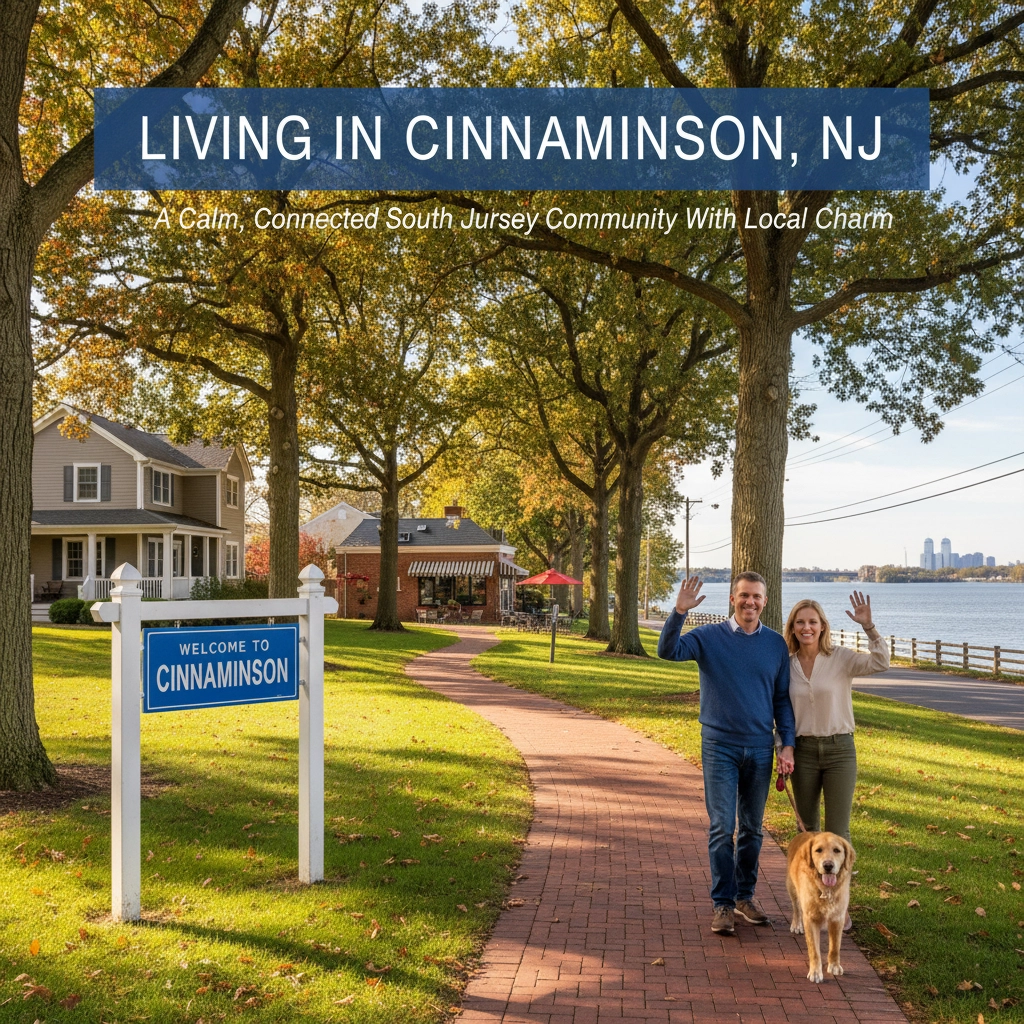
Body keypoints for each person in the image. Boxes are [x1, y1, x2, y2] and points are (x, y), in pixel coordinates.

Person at [658, 572, 795, 937]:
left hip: (761, 748)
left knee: (752, 829)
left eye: (757, 597)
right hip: (720, 746)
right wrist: (678, 612)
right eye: (744, 596)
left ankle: (744, 897)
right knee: (723, 828)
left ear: (765, 602)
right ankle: (722, 903)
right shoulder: (708, 638)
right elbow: (667, 651)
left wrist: (788, 744)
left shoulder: (775, 645)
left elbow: (782, 700)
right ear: (733, 599)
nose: (750, 602)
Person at [783, 592, 889, 847]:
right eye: (800, 622)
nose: (806, 627)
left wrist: (869, 627)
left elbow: (881, 662)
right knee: (806, 832)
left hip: (839, 750)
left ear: (822, 627)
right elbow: (780, 708)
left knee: (838, 834)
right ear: (792, 628)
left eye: (812, 622)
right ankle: (812, 887)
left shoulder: (841, 658)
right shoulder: (785, 665)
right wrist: (782, 747)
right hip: (803, 750)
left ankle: (838, 888)